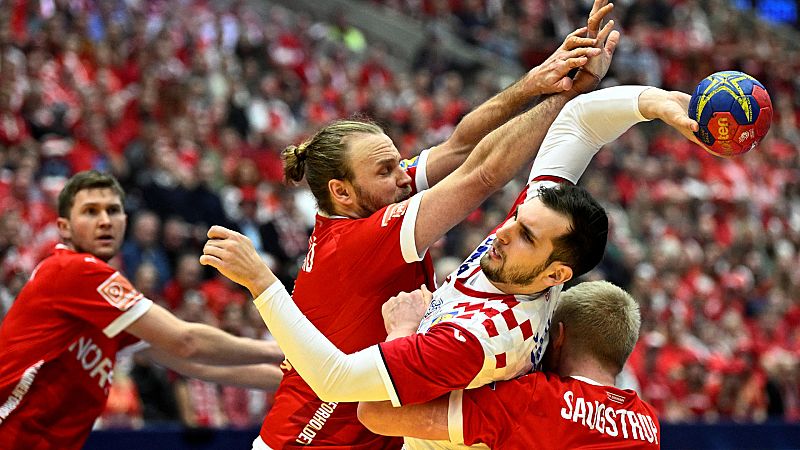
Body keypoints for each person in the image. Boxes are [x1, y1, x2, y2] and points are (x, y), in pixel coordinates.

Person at [203, 80, 699, 450]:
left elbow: (350, 392)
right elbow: (576, 125)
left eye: (523, 232)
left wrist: (262, 282)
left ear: (557, 277)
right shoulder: (531, 256)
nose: (501, 230)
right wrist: (652, 103)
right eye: (517, 217)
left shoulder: (480, 339)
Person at [0, 171, 285, 450]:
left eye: (113, 211)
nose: (104, 221)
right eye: (90, 211)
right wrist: (286, 348)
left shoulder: (106, 307)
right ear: (64, 227)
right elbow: (186, 342)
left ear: (125, 220)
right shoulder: (74, 270)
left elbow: (196, 365)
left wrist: (299, 379)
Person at [357, 280, 661, 449]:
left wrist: (402, 329)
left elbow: (377, 412)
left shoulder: (536, 399)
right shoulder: (647, 424)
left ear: (558, 336)